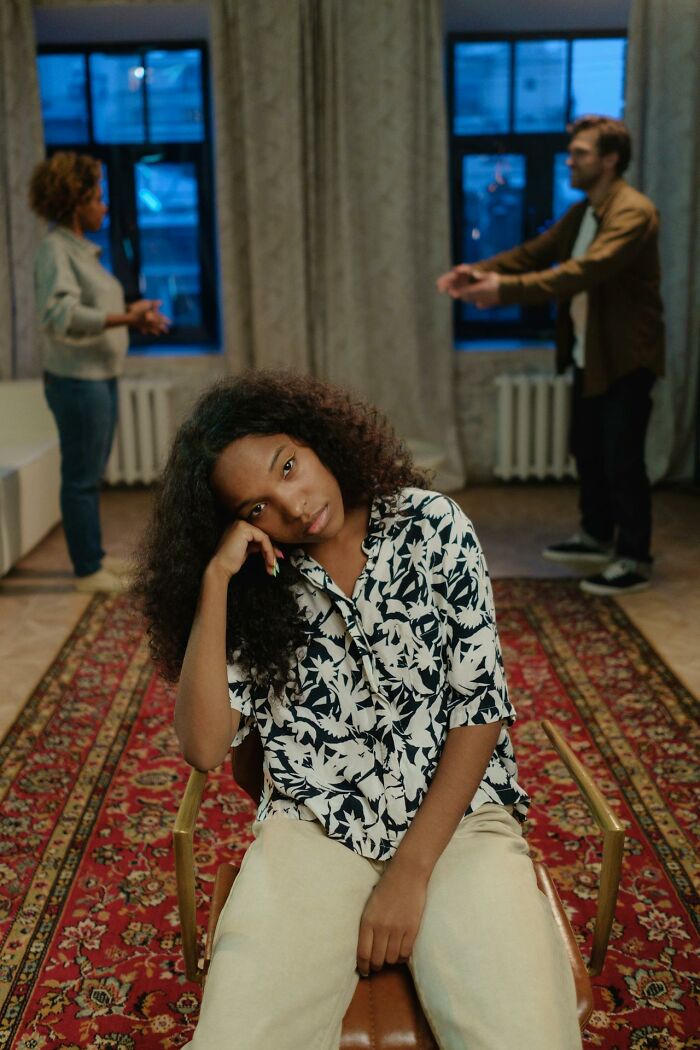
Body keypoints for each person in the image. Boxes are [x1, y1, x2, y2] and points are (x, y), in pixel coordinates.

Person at [135, 370, 582, 1050]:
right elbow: (202, 747)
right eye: (256, 507)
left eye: (289, 467)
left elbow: (478, 709)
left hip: (457, 822)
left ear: (316, 441)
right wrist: (217, 581)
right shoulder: (259, 586)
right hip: (312, 834)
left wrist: (409, 873)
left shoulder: (430, 525)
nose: (291, 503)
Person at [437, 116, 665, 596]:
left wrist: (502, 291)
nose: (569, 159)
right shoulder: (585, 212)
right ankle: (597, 536)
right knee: (588, 449)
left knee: (622, 460)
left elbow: (583, 272)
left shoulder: (633, 212)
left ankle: (635, 558)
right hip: (589, 354)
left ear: (609, 160)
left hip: (626, 358)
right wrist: (475, 270)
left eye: (580, 152)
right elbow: (534, 253)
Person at [29, 151, 170, 593]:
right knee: (82, 479)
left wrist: (131, 313)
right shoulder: (55, 250)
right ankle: (87, 570)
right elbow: (61, 314)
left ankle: (94, 558)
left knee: (90, 475)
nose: (104, 207)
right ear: (75, 203)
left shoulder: (79, 251)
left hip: (97, 377)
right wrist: (129, 319)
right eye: (98, 198)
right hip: (77, 381)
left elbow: (91, 309)